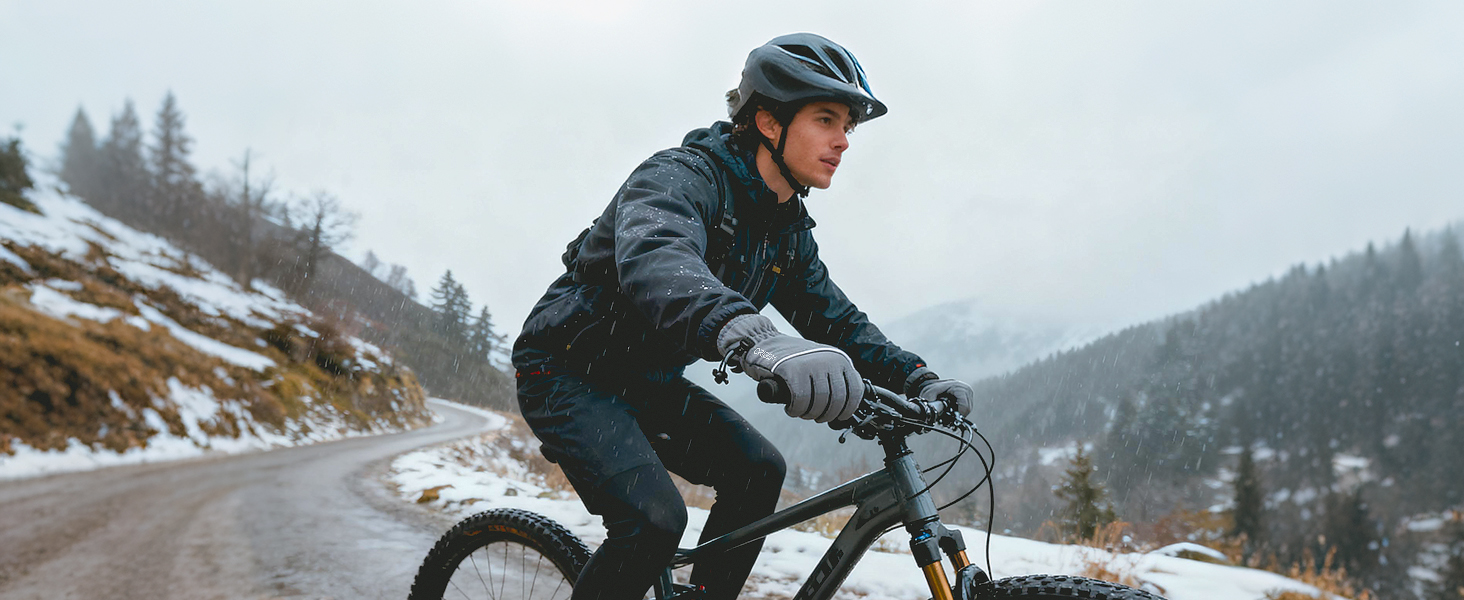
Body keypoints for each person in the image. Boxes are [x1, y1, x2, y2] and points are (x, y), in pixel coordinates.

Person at [511, 33, 974, 600]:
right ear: (768, 121)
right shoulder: (680, 177)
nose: (843, 141)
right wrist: (753, 335)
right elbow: (659, 259)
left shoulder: (784, 231)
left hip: (647, 380)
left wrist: (916, 377)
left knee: (758, 471)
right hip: (567, 371)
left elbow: (837, 321)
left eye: (848, 127)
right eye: (826, 120)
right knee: (654, 521)